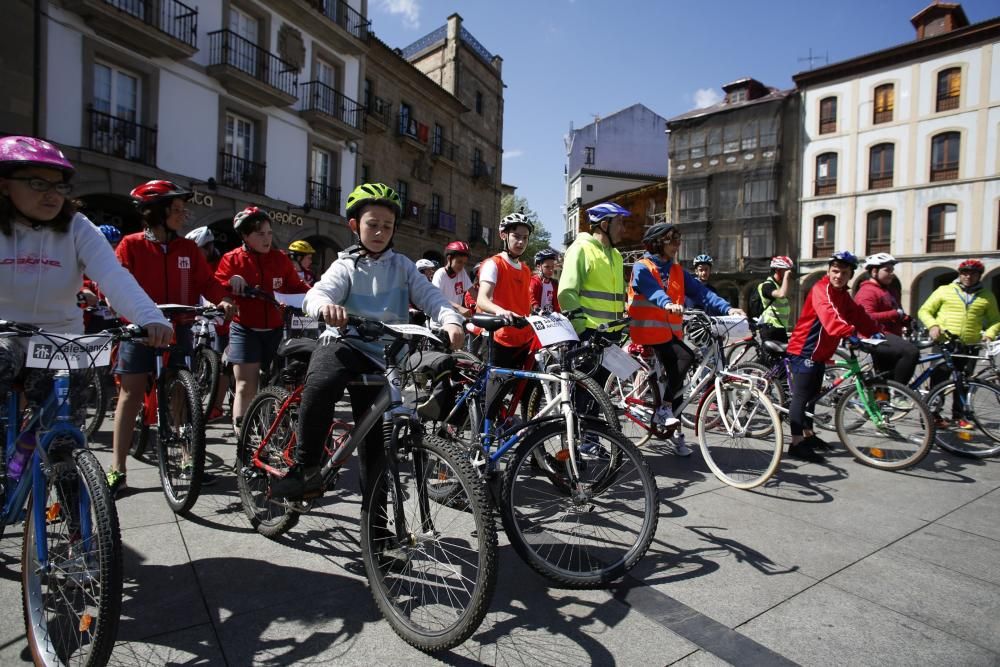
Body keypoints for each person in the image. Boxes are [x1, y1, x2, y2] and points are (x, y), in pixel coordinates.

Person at [270, 183, 464, 500]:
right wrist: (325, 307)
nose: (380, 232)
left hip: (383, 356)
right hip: (344, 344)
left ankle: (379, 537)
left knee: (376, 449)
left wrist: (452, 320)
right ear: (354, 226)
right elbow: (316, 295)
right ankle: (305, 468)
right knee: (321, 383)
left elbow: (431, 296)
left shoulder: (402, 266)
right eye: (372, 224)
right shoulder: (345, 264)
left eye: (387, 226)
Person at [0, 135, 171, 449]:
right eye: (38, 184)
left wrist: (150, 318)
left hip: (62, 336)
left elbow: (113, 276)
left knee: (64, 436)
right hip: (4, 332)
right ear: (5, 185)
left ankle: (66, 484)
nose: (52, 195)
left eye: (60, 186)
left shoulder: (77, 226)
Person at [110, 180, 236, 497]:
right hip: (139, 330)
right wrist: (123, 309)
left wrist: (222, 299)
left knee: (181, 394)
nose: (184, 215)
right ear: (157, 213)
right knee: (131, 396)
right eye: (177, 209)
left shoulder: (188, 249)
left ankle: (185, 460)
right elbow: (115, 284)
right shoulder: (131, 245)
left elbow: (207, 283)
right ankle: (117, 470)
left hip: (179, 327)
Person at [628, 223, 745, 457]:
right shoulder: (642, 267)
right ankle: (663, 408)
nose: (677, 245)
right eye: (672, 240)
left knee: (679, 384)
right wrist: (667, 303)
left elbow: (702, 293)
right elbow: (653, 291)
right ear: (658, 242)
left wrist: (728, 308)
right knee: (685, 357)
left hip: (669, 334)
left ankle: (672, 429)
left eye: (678, 240)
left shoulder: (677, 271)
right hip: (647, 333)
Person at [215, 206, 310, 432]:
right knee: (246, 385)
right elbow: (217, 289)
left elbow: (298, 287)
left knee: (281, 382)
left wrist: (317, 296)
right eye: (260, 234)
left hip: (277, 330)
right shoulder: (231, 260)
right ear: (245, 236)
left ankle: (274, 431)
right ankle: (243, 441)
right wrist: (229, 289)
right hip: (245, 328)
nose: (267, 238)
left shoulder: (280, 259)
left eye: (269, 232)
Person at [785, 251, 881, 463]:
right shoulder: (822, 289)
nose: (838, 276)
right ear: (828, 271)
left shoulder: (843, 295)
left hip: (821, 352)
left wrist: (874, 331)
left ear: (850, 275)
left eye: (844, 273)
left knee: (812, 397)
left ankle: (808, 436)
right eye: (835, 271)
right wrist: (850, 333)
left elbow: (857, 314)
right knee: (801, 397)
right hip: (805, 349)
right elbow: (829, 315)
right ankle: (796, 443)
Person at [918, 258, 1000, 427]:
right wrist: (933, 326)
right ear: (960, 274)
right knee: (939, 381)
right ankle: (933, 414)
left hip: (970, 345)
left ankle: (959, 416)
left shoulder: (987, 296)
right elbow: (924, 310)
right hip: (945, 343)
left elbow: (995, 320)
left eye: (973, 273)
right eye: (965, 273)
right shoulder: (944, 290)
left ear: (979, 276)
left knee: (963, 382)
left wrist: (990, 334)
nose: (968, 277)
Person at [477, 213, 535, 373]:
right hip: (498, 338)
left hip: (523, 339)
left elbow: (522, 302)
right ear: (503, 235)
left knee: (525, 393)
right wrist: (501, 311)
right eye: (516, 236)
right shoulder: (493, 264)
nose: (521, 242)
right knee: (494, 395)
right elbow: (482, 300)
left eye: (525, 237)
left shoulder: (525, 269)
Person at [186, 225, 229, 420]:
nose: (196, 254)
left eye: (199, 250)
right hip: (199, 315)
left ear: (209, 247)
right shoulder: (193, 263)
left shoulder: (221, 263)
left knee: (222, 363)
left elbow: (220, 286)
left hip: (223, 320)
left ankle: (217, 406)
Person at [79, 224, 125, 333]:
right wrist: (85, 290)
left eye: (115, 245)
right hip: (90, 317)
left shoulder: (121, 262)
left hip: (116, 317)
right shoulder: (82, 259)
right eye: (107, 246)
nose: (112, 250)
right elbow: (74, 282)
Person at [756, 256, 794, 349]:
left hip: (780, 328)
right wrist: (786, 277)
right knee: (768, 360)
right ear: (778, 270)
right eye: (786, 270)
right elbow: (781, 294)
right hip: (770, 328)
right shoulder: (767, 286)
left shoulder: (778, 285)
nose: (788, 272)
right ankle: (750, 364)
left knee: (782, 359)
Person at [433, 241, 474, 317]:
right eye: (459, 262)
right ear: (449, 258)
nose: (462, 266)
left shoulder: (462, 273)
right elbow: (436, 296)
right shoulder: (440, 274)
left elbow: (473, 292)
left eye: (464, 263)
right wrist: (458, 307)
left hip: (456, 318)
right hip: (440, 319)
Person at [530, 248, 561, 313]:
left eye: (552, 267)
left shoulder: (554, 284)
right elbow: (530, 297)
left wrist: (560, 313)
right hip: (537, 318)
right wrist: (536, 308)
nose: (551, 270)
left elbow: (556, 304)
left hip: (551, 320)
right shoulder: (533, 281)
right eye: (547, 267)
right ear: (539, 267)